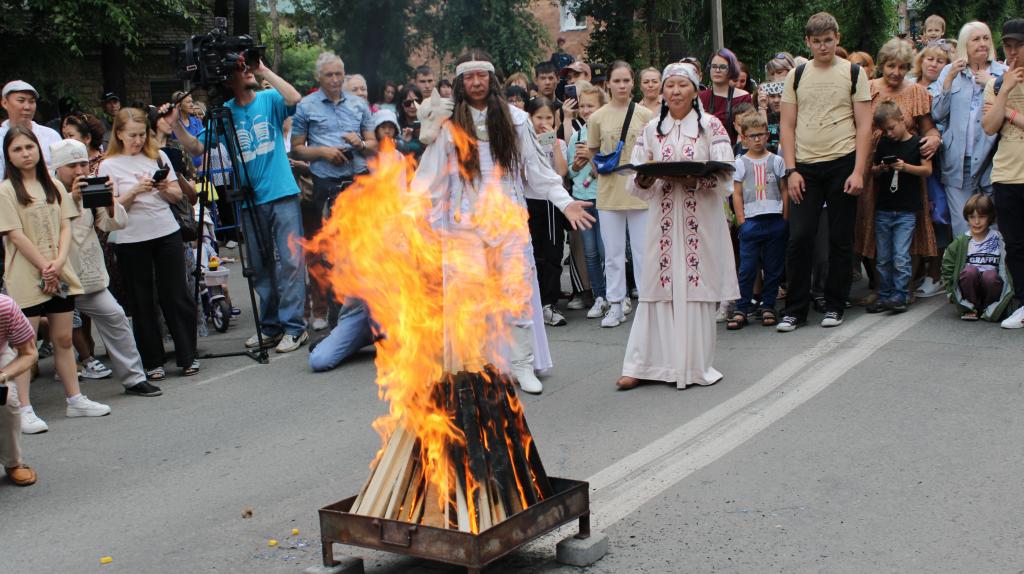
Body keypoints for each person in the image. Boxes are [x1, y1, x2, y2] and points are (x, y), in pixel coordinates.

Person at [413, 48, 595, 394]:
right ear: (461, 82)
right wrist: (410, 216)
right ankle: (479, 368)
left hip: (507, 221)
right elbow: (429, 178)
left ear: (492, 79)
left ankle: (522, 366)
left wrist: (566, 202)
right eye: (470, 76)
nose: (477, 82)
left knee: (515, 295)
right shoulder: (449, 125)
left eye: (482, 75)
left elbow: (537, 171)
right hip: (464, 226)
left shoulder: (515, 118)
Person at [171, 47, 309, 354]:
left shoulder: (268, 99)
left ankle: (295, 327)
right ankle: (271, 327)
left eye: (247, 65)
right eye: (240, 67)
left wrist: (262, 69)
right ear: (227, 79)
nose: (245, 68)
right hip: (249, 200)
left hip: (282, 193)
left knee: (290, 262)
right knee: (261, 267)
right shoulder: (226, 111)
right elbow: (196, 148)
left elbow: (294, 98)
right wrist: (175, 124)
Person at [615, 62, 738, 390]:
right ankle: (642, 363)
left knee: (695, 286)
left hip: (701, 219)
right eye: (670, 86)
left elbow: (727, 174)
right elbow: (637, 181)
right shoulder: (651, 128)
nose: (674, 91)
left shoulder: (711, 127)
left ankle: (692, 366)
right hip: (664, 218)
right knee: (657, 285)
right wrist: (643, 176)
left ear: (695, 89)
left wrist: (694, 179)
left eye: (682, 85)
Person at [1, 127, 112, 434]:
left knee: (64, 339)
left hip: (59, 271)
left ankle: (75, 398)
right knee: (26, 346)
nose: (25, 153)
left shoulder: (53, 185)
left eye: (29, 147)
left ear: (38, 150)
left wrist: (59, 263)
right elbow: (14, 234)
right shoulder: (6, 190)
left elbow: (66, 225)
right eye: (17, 149)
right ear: (9, 156)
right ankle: (22, 408)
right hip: (26, 276)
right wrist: (44, 267)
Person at [777, 12, 872, 332]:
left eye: (828, 40)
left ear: (837, 38)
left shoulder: (854, 72)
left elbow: (864, 126)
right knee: (800, 237)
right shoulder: (797, 75)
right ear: (807, 42)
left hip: (843, 163)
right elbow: (786, 125)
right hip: (805, 166)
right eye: (816, 41)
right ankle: (795, 310)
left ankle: (835, 304)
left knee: (840, 239)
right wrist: (791, 170)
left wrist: (859, 172)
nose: (823, 46)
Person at [50, 139, 161, 396]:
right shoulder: (46, 190)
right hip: (55, 277)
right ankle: (18, 398)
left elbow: (110, 224)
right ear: (58, 168)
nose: (79, 170)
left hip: (88, 275)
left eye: (83, 164)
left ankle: (134, 378)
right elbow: (45, 224)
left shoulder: (91, 184)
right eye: (72, 165)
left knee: (116, 317)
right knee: (35, 335)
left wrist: (109, 200)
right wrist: (72, 198)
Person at [100, 108, 199, 380]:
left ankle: (187, 354)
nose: (137, 140)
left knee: (176, 294)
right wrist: (134, 191)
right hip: (131, 237)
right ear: (118, 134)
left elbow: (178, 193)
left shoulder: (158, 155)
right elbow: (110, 207)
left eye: (142, 135)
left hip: (165, 230)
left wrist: (161, 188)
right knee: (142, 300)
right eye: (132, 135)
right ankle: (152, 360)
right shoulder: (108, 165)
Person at [290, 53, 377, 333]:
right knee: (331, 254)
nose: (336, 80)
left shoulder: (359, 104)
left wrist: (360, 143)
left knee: (363, 251)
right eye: (330, 75)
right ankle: (336, 319)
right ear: (319, 78)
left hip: (357, 181)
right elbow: (297, 148)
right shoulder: (306, 106)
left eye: (339, 74)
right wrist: (323, 152)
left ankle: (371, 316)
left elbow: (375, 144)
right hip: (325, 185)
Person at [854, 38, 942, 307]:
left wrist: (935, 138)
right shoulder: (868, 88)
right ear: (882, 64)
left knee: (909, 227)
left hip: (908, 165)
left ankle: (906, 287)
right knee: (871, 224)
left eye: (903, 67)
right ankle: (881, 287)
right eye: (891, 66)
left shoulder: (916, 91)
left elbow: (928, 127)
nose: (896, 72)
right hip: (873, 165)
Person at [587, 61, 654, 328]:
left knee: (642, 253)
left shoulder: (645, 115)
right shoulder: (597, 117)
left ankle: (648, 305)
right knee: (613, 254)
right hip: (609, 194)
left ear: (633, 82)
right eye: (617, 81)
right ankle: (615, 304)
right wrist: (601, 168)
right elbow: (592, 150)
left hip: (640, 194)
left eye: (626, 80)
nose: (622, 85)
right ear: (608, 84)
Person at [933, 21, 1007, 236]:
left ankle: (995, 270)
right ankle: (965, 270)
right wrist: (948, 80)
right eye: (976, 39)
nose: (982, 43)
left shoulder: (1003, 73)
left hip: (993, 162)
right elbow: (937, 114)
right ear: (965, 44)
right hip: (958, 163)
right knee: (963, 227)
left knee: (995, 226)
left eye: (986, 38)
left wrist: (992, 84)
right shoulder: (950, 70)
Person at [867, 101, 932, 314]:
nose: (889, 133)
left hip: (906, 210)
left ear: (902, 120)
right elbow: (873, 171)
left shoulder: (917, 143)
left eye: (892, 128)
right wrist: (881, 168)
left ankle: (901, 294)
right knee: (883, 256)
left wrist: (905, 167)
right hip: (884, 208)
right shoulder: (884, 144)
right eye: (885, 130)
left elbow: (927, 171)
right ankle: (885, 295)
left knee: (901, 256)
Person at [981, 18, 1024, 329]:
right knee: (1016, 246)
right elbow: (988, 126)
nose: (1012, 53)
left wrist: (1009, 113)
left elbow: (1003, 118)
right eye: (1007, 47)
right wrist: (1006, 90)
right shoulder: (997, 83)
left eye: (1018, 47)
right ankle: (1023, 304)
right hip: (1007, 175)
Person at [729, 113, 788, 329]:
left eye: (761, 135)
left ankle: (768, 305)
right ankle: (742, 307)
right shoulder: (740, 163)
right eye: (752, 136)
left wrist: (785, 217)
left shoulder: (777, 160)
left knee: (773, 267)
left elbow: (784, 189)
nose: (757, 140)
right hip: (751, 222)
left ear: (767, 135)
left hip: (774, 219)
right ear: (744, 138)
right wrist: (742, 220)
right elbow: (736, 193)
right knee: (747, 268)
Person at [525, 97, 570, 326]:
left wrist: (552, 144)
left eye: (548, 117)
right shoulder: (522, 142)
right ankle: (532, 304)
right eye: (538, 117)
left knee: (553, 253)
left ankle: (549, 304)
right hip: (528, 202)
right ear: (528, 118)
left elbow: (562, 171)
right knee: (532, 254)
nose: (543, 122)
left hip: (553, 203)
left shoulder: (559, 143)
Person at [567, 82, 608, 320]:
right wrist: (577, 164)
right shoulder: (576, 136)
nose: (585, 110)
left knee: (606, 251)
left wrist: (591, 158)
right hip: (581, 200)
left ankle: (615, 295)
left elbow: (609, 168)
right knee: (590, 252)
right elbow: (571, 173)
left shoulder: (604, 134)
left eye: (590, 106)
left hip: (602, 197)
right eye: (582, 106)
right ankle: (599, 295)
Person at [941, 194, 1014, 321]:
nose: (976, 222)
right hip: (969, 288)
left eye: (982, 216)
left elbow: (1011, 264)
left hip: (992, 287)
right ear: (967, 218)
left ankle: (990, 307)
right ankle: (970, 307)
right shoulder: (961, 241)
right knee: (970, 271)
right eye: (972, 217)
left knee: (989, 275)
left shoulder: (999, 239)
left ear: (990, 217)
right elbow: (947, 265)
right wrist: (951, 291)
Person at [0, 295, 39, 485]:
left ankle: (13, 462)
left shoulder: (5, 307)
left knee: (6, 399)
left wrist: (3, 375)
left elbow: (29, 353)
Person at [0, 81, 63, 179]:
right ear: (4, 103)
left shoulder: (51, 135)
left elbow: (62, 171)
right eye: (21, 100)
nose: (27, 107)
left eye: (31, 101)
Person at [699, 49, 753, 145]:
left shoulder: (743, 97)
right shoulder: (700, 97)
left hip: (733, 154)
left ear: (732, 70)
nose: (717, 70)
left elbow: (747, 131)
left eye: (722, 67)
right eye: (714, 66)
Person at [395, 85, 425, 159]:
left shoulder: (428, 123)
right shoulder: (395, 125)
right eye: (408, 103)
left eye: (416, 102)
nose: (412, 106)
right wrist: (402, 141)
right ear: (402, 104)